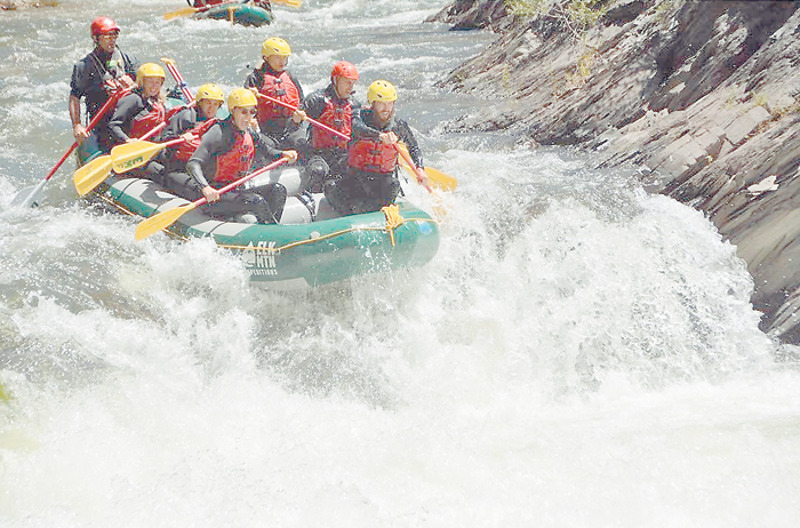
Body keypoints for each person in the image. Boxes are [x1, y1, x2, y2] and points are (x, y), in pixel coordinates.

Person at [183, 88, 297, 224]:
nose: (248, 117)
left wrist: (283, 154)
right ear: (232, 111)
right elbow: (193, 163)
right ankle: (271, 230)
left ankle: (268, 227)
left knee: (278, 190)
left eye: (252, 112)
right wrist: (205, 188)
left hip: (236, 191)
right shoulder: (218, 132)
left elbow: (267, 151)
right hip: (214, 196)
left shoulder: (249, 132)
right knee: (255, 201)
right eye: (243, 112)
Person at [324, 80, 426, 215]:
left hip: (381, 181)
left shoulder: (399, 126)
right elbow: (357, 128)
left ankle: (373, 212)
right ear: (372, 104)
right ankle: (348, 214)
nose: (386, 108)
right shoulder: (359, 116)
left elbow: (413, 147)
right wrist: (379, 136)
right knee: (330, 187)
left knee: (393, 184)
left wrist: (420, 168)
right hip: (356, 177)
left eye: (390, 103)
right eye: (381, 103)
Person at [69, 16, 137, 155]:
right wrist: (77, 125)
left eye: (114, 35)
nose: (112, 39)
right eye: (107, 36)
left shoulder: (128, 59)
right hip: (103, 124)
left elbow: (145, 86)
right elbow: (75, 96)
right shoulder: (84, 66)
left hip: (129, 117)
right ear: (96, 38)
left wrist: (133, 84)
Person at [302, 60, 360, 192]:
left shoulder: (355, 105)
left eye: (353, 83)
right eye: (347, 82)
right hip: (319, 154)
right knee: (318, 171)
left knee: (356, 169)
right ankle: (313, 193)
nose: (350, 87)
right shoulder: (316, 100)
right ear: (335, 80)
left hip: (342, 155)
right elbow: (295, 120)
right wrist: (297, 117)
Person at [244, 37, 306, 150]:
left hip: (291, 128)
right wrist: (249, 96)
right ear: (266, 58)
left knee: (302, 144)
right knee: (265, 146)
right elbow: (243, 107)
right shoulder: (255, 78)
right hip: (266, 131)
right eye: (277, 57)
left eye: (285, 57)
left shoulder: (290, 76)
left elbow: (302, 102)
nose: (282, 61)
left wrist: (299, 115)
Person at [107, 63, 167, 147]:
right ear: (142, 82)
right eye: (150, 81)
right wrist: (126, 139)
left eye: (157, 82)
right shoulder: (133, 99)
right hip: (130, 146)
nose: (154, 86)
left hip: (150, 145)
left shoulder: (156, 101)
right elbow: (113, 125)